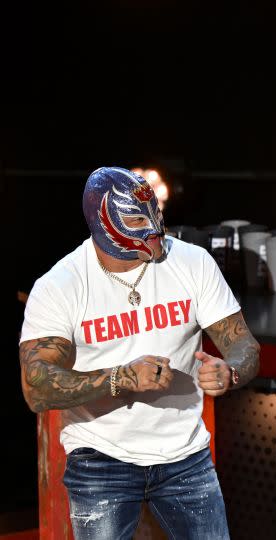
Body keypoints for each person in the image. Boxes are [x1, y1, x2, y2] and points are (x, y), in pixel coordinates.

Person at [19, 167, 261, 539]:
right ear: (103, 220)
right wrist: (121, 378)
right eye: (135, 218)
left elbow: (244, 345)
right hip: (100, 457)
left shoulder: (191, 262)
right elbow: (36, 388)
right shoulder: (61, 285)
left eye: (156, 214)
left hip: (185, 456)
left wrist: (230, 370)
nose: (152, 227)